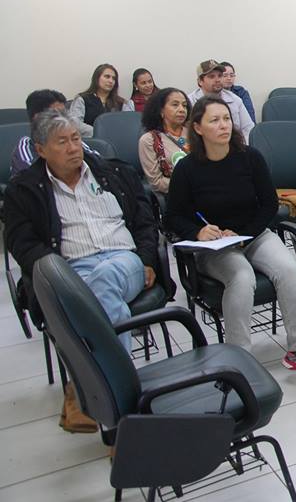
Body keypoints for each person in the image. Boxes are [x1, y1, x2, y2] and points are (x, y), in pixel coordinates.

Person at [4, 109, 159, 432]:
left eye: (76, 139)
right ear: (40, 148)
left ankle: (99, 400)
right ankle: (122, 409)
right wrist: (57, 275)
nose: (74, 147)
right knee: (89, 294)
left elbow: (145, 221)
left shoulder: (113, 174)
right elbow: (23, 244)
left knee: (96, 288)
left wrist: (146, 258)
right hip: (70, 269)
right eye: (62, 142)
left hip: (123, 260)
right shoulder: (25, 190)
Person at [164, 96, 296, 379]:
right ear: (198, 128)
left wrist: (244, 232)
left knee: (289, 269)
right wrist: (199, 231)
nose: (223, 125)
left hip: (254, 235)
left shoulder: (250, 157)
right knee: (242, 277)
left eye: (226, 118)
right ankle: (239, 359)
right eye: (214, 120)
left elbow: (269, 205)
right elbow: (173, 217)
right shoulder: (187, 169)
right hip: (216, 247)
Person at [10, 89, 96, 177]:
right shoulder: (25, 151)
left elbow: (99, 163)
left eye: (64, 113)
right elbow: (34, 182)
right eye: (56, 115)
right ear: (37, 118)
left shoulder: (72, 139)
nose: (64, 119)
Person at [138, 87, 190, 195]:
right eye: (175, 105)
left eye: (184, 105)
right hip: (177, 195)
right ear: (161, 110)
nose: (181, 109)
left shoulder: (194, 133)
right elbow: (157, 183)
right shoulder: (149, 140)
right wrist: (191, 184)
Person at [187, 60, 255, 141]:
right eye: (212, 76)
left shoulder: (235, 100)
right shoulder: (190, 101)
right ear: (200, 81)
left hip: (234, 147)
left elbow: (248, 128)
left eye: (220, 76)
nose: (218, 80)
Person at [68, 63, 125, 136]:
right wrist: (98, 132)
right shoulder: (83, 99)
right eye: (107, 77)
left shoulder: (121, 102)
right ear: (97, 78)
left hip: (115, 141)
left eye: (114, 78)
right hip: (90, 141)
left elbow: (126, 126)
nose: (111, 81)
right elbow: (75, 123)